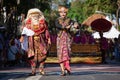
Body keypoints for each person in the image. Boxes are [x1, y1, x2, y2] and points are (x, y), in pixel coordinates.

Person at [20, 8, 51, 76]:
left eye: (36, 15)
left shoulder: (43, 23)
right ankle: (33, 71)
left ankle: (41, 70)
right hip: (31, 43)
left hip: (41, 41)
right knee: (31, 57)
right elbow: (24, 32)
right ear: (30, 16)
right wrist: (22, 37)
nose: (35, 16)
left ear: (39, 15)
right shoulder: (27, 24)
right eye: (33, 15)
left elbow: (46, 31)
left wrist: (48, 39)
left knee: (43, 54)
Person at [55, 5, 79, 76]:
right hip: (60, 39)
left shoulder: (69, 20)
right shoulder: (57, 20)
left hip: (68, 39)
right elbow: (57, 25)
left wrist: (76, 25)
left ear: (66, 13)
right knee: (60, 53)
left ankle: (67, 67)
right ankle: (63, 70)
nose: (63, 13)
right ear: (59, 13)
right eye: (61, 12)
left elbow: (77, 24)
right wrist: (65, 27)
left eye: (64, 12)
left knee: (67, 52)